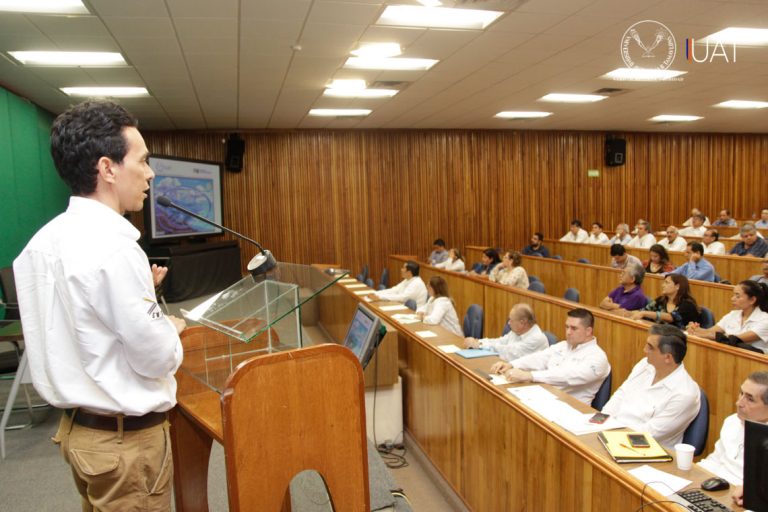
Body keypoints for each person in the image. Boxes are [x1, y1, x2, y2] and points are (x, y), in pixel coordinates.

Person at [13, 100, 186, 511]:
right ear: (108, 169)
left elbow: (81, 328)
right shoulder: (114, 249)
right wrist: (170, 328)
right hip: (125, 444)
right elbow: (156, 357)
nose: (150, 173)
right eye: (142, 161)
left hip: (79, 434)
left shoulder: (41, 244)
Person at [601, 324, 700, 448]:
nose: (645, 350)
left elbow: (649, 433)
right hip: (611, 433)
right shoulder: (644, 365)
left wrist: (609, 437)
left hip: (645, 449)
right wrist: (600, 423)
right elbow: (621, 395)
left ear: (668, 357)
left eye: (650, 347)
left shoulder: (685, 393)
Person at [490, 308, 611, 405]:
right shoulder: (564, 345)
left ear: (588, 331)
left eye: (574, 328)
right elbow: (539, 357)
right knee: (504, 396)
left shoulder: (597, 357)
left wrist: (530, 375)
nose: (568, 332)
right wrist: (511, 364)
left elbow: (567, 376)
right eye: (567, 327)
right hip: (545, 396)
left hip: (570, 408)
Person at [698, 372, 768, 500]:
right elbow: (714, 461)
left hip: (743, 499)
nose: (739, 403)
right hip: (715, 491)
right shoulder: (732, 421)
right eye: (741, 393)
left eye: (750, 399)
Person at [687, 280, 768, 353]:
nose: (732, 299)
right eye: (733, 295)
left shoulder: (765, 320)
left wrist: (707, 334)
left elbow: (735, 339)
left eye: (737, 296)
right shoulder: (733, 314)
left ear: (752, 300)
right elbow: (710, 331)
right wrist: (695, 329)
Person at [463, 303, 548, 361]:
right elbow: (500, 341)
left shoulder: (537, 338)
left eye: (511, 320)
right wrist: (478, 342)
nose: (509, 323)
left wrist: (480, 345)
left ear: (522, 322)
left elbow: (508, 351)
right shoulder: (517, 331)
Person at [631, 275, 701, 329]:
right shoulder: (661, 300)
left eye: (667, 283)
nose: (663, 285)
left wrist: (644, 313)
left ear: (677, 286)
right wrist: (626, 313)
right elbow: (643, 311)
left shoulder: (688, 304)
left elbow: (671, 317)